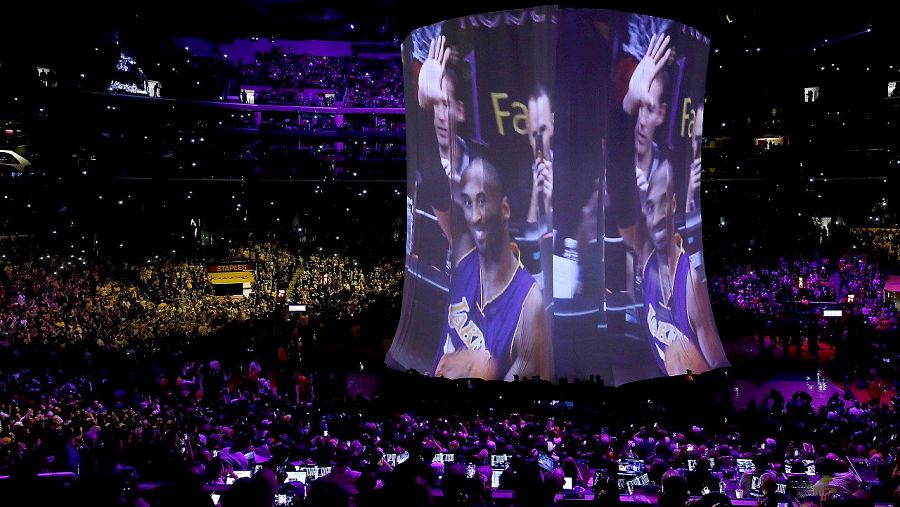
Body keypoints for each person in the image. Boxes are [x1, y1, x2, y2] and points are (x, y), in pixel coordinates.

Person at [433, 157, 551, 381]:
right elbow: (429, 174)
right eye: (468, 203)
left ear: (504, 209)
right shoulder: (464, 249)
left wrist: (484, 372)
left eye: (482, 201)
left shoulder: (529, 305)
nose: (475, 217)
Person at [639, 160, 728, 375]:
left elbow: (717, 363)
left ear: (673, 204)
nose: (657, 217)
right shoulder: (647, 260)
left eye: (664, 202)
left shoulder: (689, 285)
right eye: (651, 207)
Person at [416, 34, 475, 264]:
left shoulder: (480, 168)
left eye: (444, 104)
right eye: (434, 106)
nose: (439, 116)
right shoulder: (422, 167)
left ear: (460, 111)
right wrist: (422, 105)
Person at [526, 84, 554, 225]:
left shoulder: (569, 172)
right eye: (534, 134)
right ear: (528, 133)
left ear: (552, 125)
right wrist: (535, 197)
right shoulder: (518, 180)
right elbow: (524, 235)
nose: (539, 142)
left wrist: (550, 205)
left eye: (543, 130)